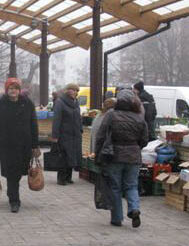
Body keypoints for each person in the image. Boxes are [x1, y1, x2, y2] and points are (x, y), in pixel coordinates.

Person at [95, 90, 149, 228]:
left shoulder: (111, 115)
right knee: (131, 186)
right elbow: (144, 140)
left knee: (115, 187)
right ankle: (134, 209)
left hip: (114, 155)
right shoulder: (139, 117)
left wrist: (98, 154)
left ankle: (117, 218)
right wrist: (135, 148)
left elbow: (101, 136)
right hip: (134, 156)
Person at [0, 78, 40, 212]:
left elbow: (33, 125)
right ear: (6, 90)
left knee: (18, 173)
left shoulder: (27, 104)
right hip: (7, 144)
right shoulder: (0, 105)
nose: (13, 91)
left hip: (24, 145)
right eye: (11, 88)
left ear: (19, 90)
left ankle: (12, 193)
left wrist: (35, 145)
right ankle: (14, 200)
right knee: (12, 173)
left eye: (16, 88)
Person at [51, 83, 83, 185]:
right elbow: (57, 120)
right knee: (63, 156)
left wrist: (80, 129)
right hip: (64, 134)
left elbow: (79, 117)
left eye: (76, 90)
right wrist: (55, 136)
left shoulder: (76, 102)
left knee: (72, 155)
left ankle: (68, 177)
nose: (74, 92)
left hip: (75, 134)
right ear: (67, 90)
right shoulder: (60, 102)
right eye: (72, 90)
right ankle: (61, 178)